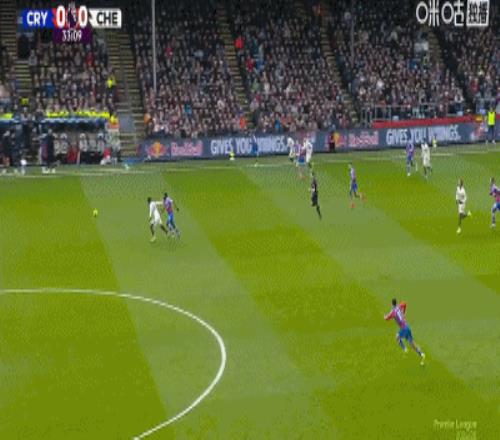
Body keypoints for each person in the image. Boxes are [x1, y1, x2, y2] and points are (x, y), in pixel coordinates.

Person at [384, 298, 425, 365]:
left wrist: (384, 316)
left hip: (404, 329)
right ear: (396, 303)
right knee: (412, 344)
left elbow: (386, 318)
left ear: (391, 304)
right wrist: (404, 312)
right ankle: (421, 354)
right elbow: (404, 303)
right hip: (407, 327)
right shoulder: (399, 306)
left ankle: (404, 349)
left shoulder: (393, 312)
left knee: (397, 337)